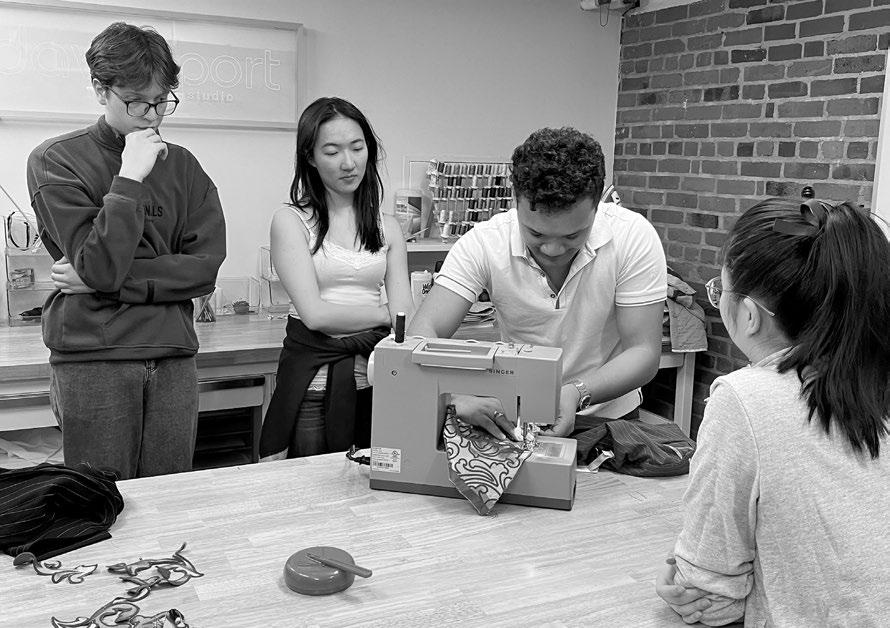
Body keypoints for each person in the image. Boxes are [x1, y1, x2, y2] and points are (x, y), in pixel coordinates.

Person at [656, 198, 890, 626]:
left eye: (718, 290)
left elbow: (711, 598)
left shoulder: (744, 400)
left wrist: (686, 581)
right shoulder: (875, 383)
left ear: (749, 315)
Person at [26, 23, 226, 479]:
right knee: (101, 498)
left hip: (173, 353)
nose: (151, 116)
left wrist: (108, 282)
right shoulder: (55, 160)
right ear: (101, 89)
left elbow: (203, 270)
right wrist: (130, 175)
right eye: (136, 101)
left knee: (171, 494)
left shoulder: (185, 166)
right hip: (94, 356)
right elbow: (100, 264)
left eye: (161, 101)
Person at [407, 127, 667, 439]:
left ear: (597, 205)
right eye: (536, 234)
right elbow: (423, 334)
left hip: (608, 418)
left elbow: (643, 352)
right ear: (515, 200)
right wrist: (453, 396)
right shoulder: (485, 243)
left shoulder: (632, 236)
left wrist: (576, 392)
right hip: (513, 420)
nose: (553, 249)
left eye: (573, 235)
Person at [258, 97, 412, 459]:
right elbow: (315, 316)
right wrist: (383, 315)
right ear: (310, 157)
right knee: (313, 485)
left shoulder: (389, 227)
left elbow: (406, 320)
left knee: (374, 482)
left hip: (375, 381)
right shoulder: (292, 222)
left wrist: (393, 317)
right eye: (332, 151)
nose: (348, 162)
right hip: (313, 387)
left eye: (357, 148)